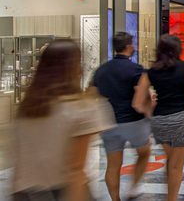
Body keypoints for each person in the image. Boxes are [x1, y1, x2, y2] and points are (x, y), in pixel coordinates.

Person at [12, 39, 113, 201]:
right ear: (73, 68)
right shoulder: (81, 108)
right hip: (61, 192)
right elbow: (76, 171)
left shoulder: (27, 108)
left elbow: (19, 164)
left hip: (24, 192)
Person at [133, 34, 184, 201]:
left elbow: (137, 103)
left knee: (171, 161)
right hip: (182, 119)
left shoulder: (149, 72)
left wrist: (151, 113)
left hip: (160, 121)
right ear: (178, 49)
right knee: (176, 167)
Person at [93, 32, 152, 201]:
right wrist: (150, 112)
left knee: (113, 165)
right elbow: (142, 95)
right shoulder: (135, 69)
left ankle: (115, 199)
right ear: (128, 47)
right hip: (134, 121)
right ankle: (134, 188)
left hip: (109, 123)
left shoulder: (101, 70)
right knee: (144, 152)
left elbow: (92, 95)